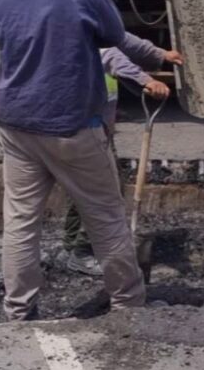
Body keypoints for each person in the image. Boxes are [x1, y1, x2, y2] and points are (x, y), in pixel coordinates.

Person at [0, 0, 148, 321]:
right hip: (73, 123)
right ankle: (128, 304)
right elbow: (113, 35)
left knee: (21, 220)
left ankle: (19, 309)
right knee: (105, 216)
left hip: (16, 122)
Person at [62, 34, 183, 276]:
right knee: (106, 192)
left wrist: (159, 54)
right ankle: (83, 252)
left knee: (84, 189)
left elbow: (122, 39)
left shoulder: (81, 11)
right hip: (86, 127)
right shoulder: (82, 16)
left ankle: (72, 245)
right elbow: (110, 54)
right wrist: (146, 80)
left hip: (93, 123)